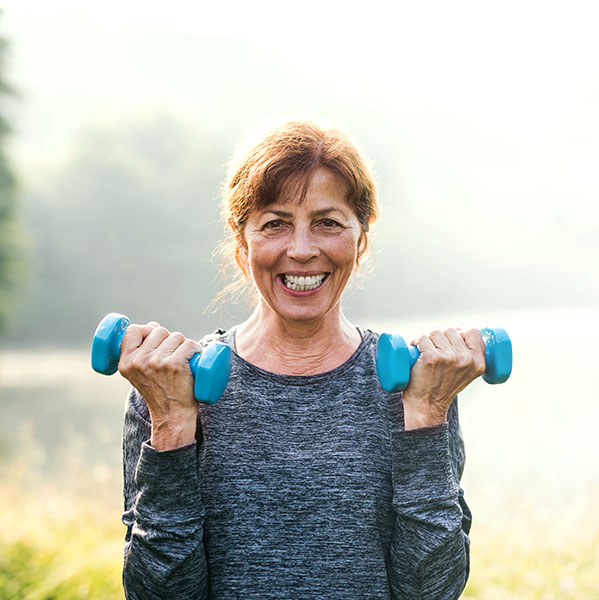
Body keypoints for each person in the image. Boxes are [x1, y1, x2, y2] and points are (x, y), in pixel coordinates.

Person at [119, 119, 485, 599]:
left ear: (361, 237)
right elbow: (157, 595)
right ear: (241, 239)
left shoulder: (417, 386)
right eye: (275, 224)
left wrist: (426, 417)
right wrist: (170, 426)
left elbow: (432, 591)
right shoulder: (168, 389)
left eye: (328, 223)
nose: (302, 250)